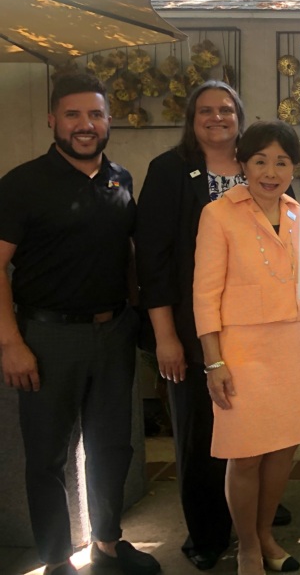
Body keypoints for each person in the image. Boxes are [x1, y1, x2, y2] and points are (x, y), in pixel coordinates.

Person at [0, 73, 160, 575]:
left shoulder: (120, 178)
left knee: (113, 445)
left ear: (108, 120)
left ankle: (108, 544)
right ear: (53, 120)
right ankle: (54, 559)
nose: (84, 125)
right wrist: (10, 343)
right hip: (47, 337)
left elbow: (132, 255)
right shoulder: (22, 184)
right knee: (48, 456)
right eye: (73, 115)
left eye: (94, 114)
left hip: (113, 333)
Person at [135, 80, 292, 570]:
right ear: (192, 118)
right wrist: (165, 334)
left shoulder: (260, 169)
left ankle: (256, 518)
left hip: (261, 332)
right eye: (206, 110)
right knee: (204, 432)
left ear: (240, 118)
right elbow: (154, 260)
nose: (217, 117)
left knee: (261, 429)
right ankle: (206, 532)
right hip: (193, 327)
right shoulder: (169, 171)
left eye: (227, 110)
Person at [193, 120, 300, 575]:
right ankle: (247, 545)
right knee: (246, 453)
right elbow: (204, 294)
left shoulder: (297, 212)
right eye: (261, 160)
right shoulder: (218, 213)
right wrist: (214, 361)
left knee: (284, 448)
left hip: (290, 344)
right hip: (241, 350)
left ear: (294, 167)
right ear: (243, 164)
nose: (271, 171)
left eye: (282, 161)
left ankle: (267, 534)